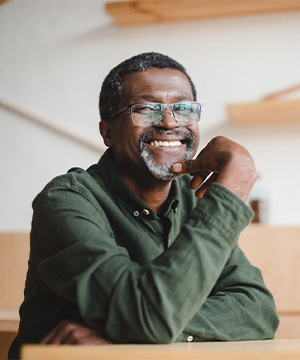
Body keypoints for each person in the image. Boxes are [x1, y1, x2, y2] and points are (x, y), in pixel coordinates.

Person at [9, 52, 279, 358]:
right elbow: (149, 315)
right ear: (107, 132)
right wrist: (232, 187)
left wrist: (136, 333)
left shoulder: (193, 199)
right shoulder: (66, 200)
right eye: (146, 108)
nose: (168, 122)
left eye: (183, 108)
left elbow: (258, 311)